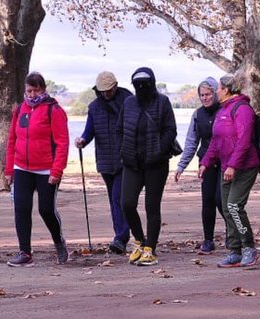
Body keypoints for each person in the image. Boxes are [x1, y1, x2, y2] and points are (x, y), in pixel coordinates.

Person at [4, 72, 70, 267]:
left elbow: (62, 143)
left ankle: (59, 243)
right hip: (21, 167)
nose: (32, 94)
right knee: (21, 208)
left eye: (36, 90)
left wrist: (56, 171)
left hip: (46, 170)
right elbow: (12, 141)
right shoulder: (20, 110)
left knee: (46, 209)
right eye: (29, 90)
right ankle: (25, 252)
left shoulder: (54, 110)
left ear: (43, 90)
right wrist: (9, 169)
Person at [198, 73, 260, 270]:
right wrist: (205, 163)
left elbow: (244, 141)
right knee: (226, 208)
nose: (216, 91)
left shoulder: (242, 109)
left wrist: (233, 165)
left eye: (218, 88)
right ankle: (235, 251)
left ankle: (248, 247)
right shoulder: (222, 111)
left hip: (244, 167)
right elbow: (216, 141)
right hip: (226, 167)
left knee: (234, 206)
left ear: (226, 89)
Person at [119, 67, 178, 267]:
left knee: (151, 206)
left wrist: (159, 151)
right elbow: (120, 129)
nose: (141, 87)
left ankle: (150, 248)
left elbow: (171, 130)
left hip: (156, 164)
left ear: (152, 83)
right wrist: (123, 151)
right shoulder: (128, 103)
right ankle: (138, 240)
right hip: (131, 163)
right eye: (137, 84)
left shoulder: (162, 102)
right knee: (126, 203)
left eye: (145, 84)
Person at [75, 71, 133, 254]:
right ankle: (122, 236)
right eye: (102, 91)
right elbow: (89, 131)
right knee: (114, 200)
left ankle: (121, 238)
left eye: (109, 90)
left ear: (115, 86)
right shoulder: (94, 107)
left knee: (119, 198)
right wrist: (82, 140)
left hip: (125, 160)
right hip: (105, 161)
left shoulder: (128, 100)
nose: (106, 94)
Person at [173, 77, 222, 253]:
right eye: (202, 95)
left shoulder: (225, 110)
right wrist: (181, 166)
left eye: (208, 94)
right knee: (208, 200)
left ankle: (237, 236)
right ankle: (208, 239)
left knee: (221, 200)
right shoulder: (198, 114)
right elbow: (191, 142)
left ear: (216, 93)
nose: (205, 98)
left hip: (225, 162)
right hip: (206, 164)